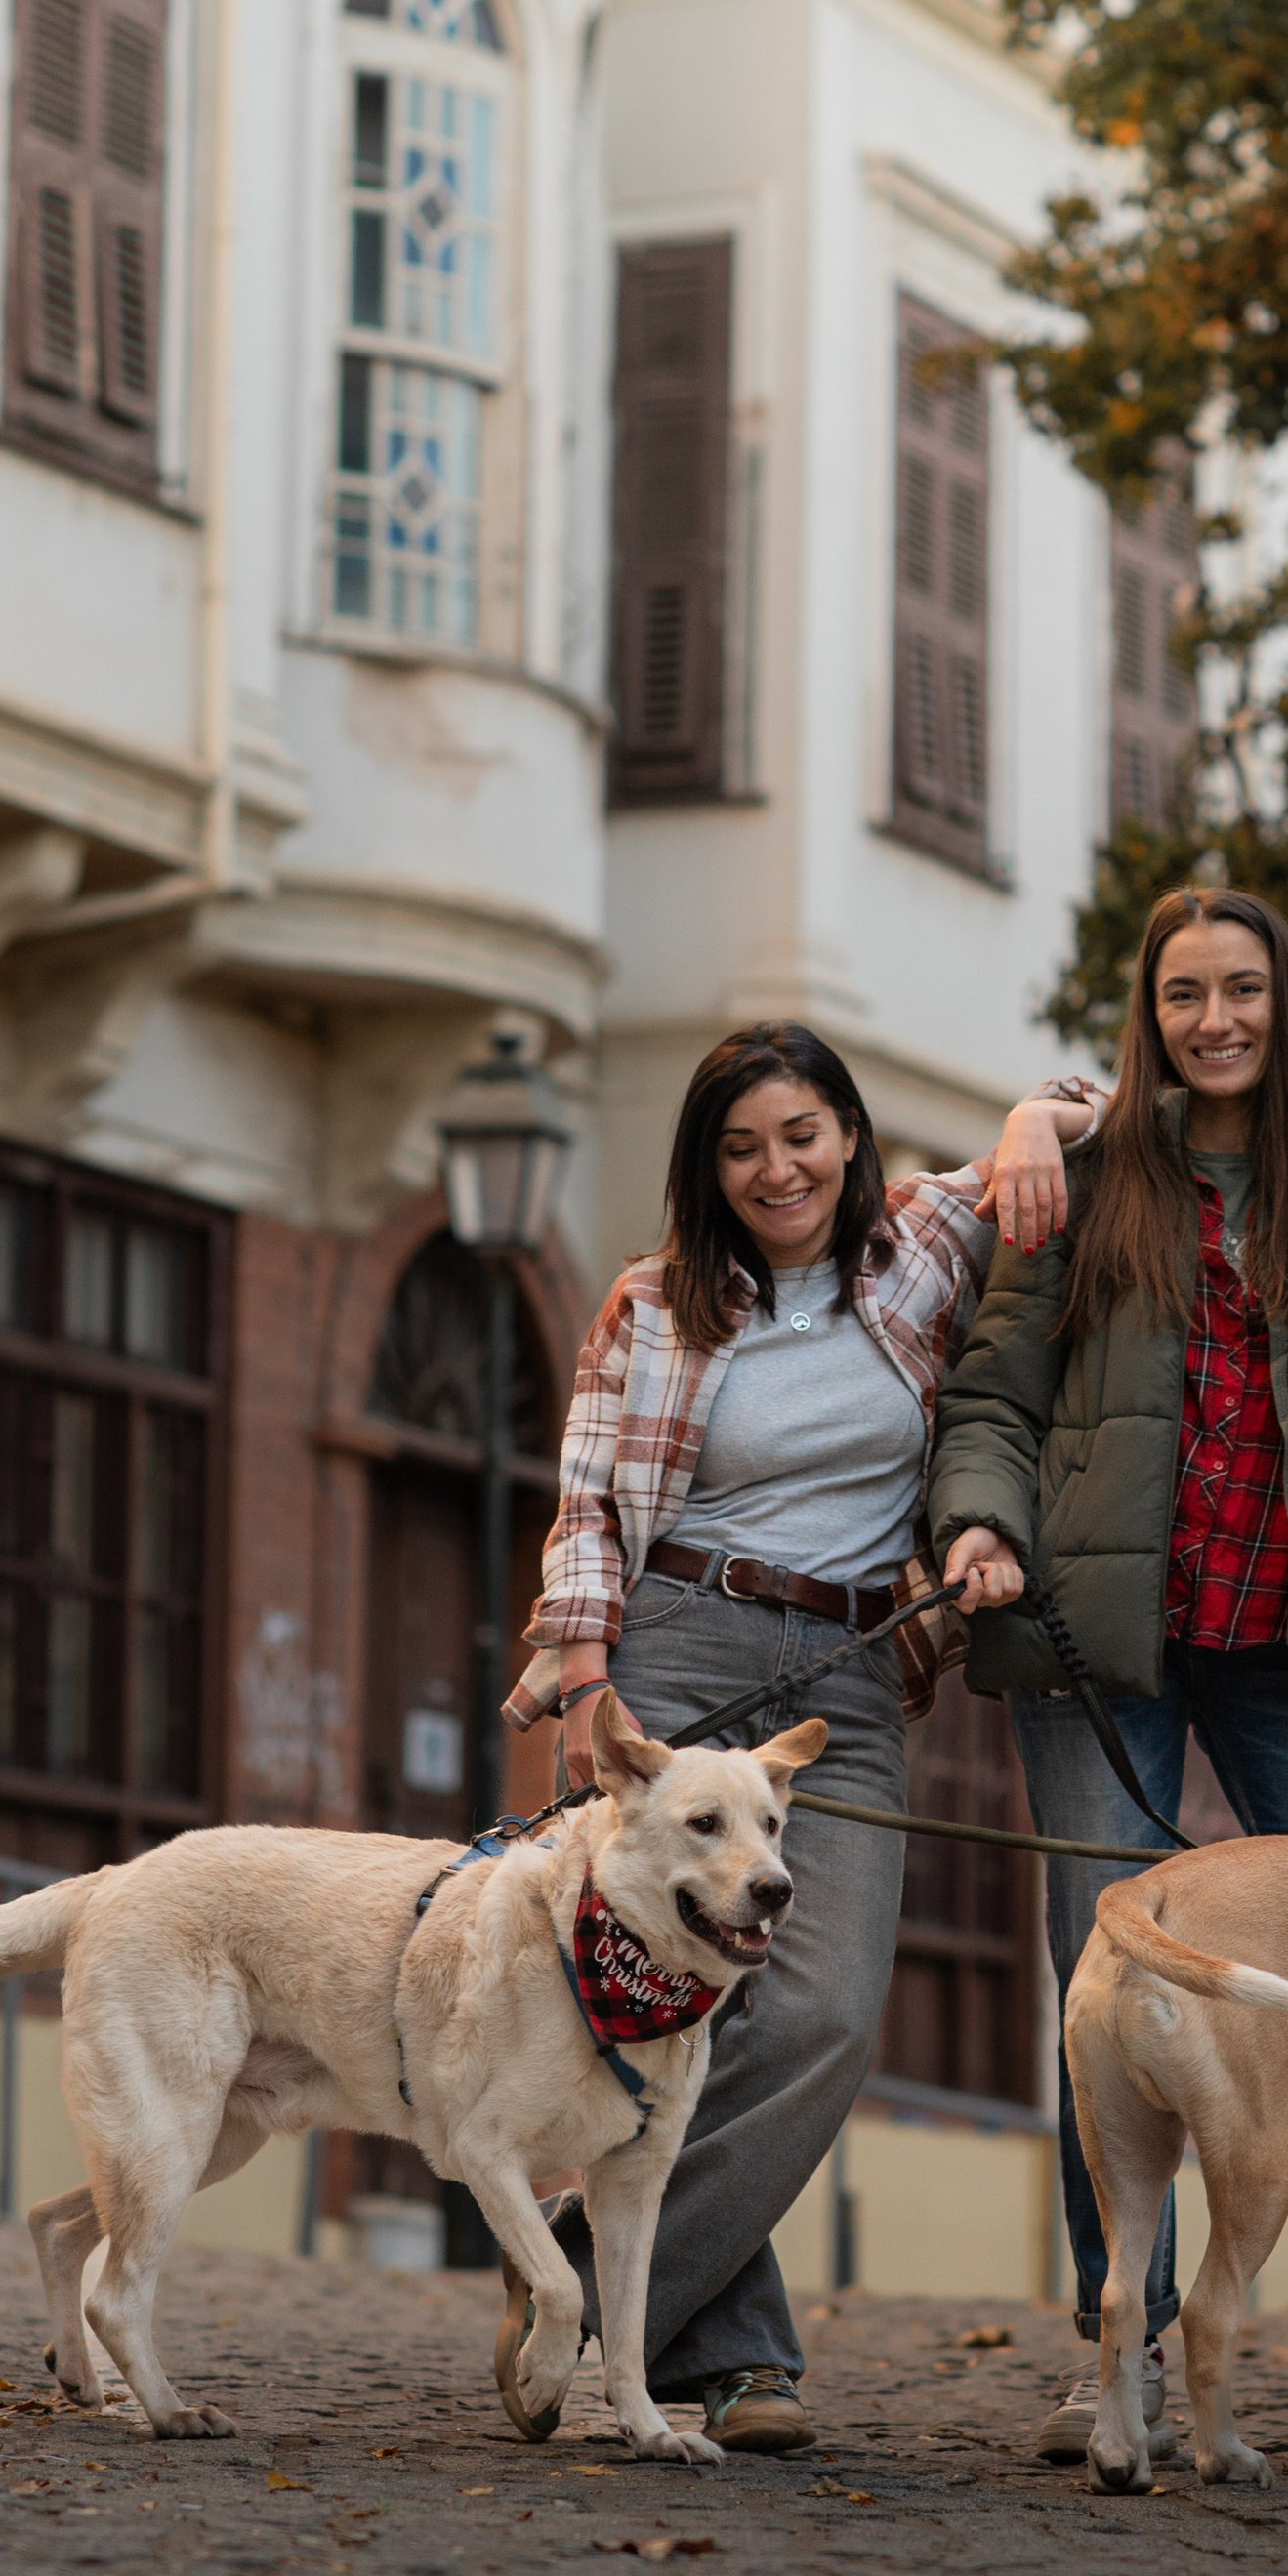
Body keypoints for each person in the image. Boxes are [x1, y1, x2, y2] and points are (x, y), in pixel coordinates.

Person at [926, 886, 1288, 2469]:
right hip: (1093, 1649)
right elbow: (992, 1392)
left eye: (1243, 990)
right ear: (1149, 1009)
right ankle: (1110, 2352)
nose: (1215, 1019)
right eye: (1184, 992)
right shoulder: (1077, 1177)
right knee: (1104, 1989)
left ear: (1287, 1004)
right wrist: (982, 1524)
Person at [508, 1020, 1101, 2459]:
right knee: (687, 2004)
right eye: (741, 1147)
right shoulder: (652, 1305)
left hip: (849, 1672)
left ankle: (576, 2294)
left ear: (848, 1134)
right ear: (707, 1169)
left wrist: (1033, 1116)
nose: (777, 1169)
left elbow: (1112, 1099)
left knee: (824, 2013)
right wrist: (587, 1682)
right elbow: (587, 1498)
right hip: (685, 1642)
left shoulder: (922, 1247)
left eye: (801, 1135)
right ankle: (736, 2359)